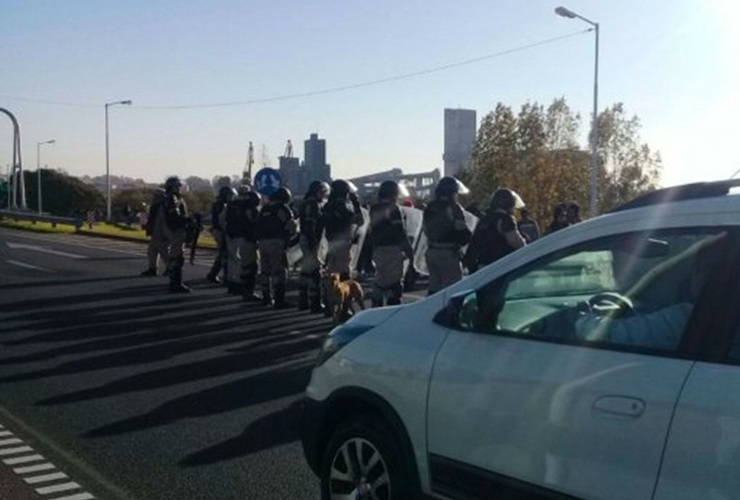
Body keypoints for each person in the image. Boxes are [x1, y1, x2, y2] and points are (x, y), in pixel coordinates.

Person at [422, 176, 472, 295]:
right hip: (448, 252)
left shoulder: (430, 206)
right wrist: (468, 237)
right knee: (452, 288)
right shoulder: (454, 207)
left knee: (434, 285)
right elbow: (461, 229)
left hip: (431, 250)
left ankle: (430, 310)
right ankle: (449, 312)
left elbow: (425, 229)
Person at [369, 180, 415, 307]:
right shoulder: (395, 209)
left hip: (378, 249)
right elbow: (400, 232)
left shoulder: (374, 209)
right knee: (394, 283)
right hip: (393, 249)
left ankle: (375, 308)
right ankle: (392, 309)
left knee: (380, 281)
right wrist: (410, 252)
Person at [466, 188, 527, 272]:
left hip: (482, 265)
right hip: (500, 265)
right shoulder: (505, 219)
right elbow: (515, 241)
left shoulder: (485, 219)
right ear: (509, 203)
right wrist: (527, 249)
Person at [256, 187, 297, 309]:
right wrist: (291, 236)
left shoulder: (264, 208)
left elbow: (257, 224)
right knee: (279, 271)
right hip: (276, 242)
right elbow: (291, 224)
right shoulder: (282, 208)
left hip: (262, 242)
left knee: (265, 270)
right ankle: (279, 299)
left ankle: (266, 297)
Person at [322, 179, 364, 281]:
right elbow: (359, 220)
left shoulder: (328, 205)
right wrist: (356, 204)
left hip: (331, 240)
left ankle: (330, 293)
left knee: (332, 269)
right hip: (343, 241)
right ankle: (343, 292)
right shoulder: (342, 205)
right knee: (343, 269)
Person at [298, 180, 329, 313]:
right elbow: (311, 225)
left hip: (305, 238)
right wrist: (313, 244)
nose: (323, 195)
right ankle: (315, 302)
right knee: (315, 272)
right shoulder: (312, 205)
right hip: (311, 240)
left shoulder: (304, 204)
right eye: (322, 192)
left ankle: (303, 300)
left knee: (306, 271)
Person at [224, 185, 260, 298]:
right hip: (244, 236)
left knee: (232, 260)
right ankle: (243, 287)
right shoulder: (248, 207)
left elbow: (223, 219)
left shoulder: (231, 204)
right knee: (245, 263)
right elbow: (253, 221)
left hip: (231, 235)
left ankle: (232, 284)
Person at [159, 176, 191, 293]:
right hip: (176, 229)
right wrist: (187, 220)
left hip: (174, 228)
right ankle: (175, 282)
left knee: (176, 254)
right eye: (178, 186)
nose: (180, 188)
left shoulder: (171, 198)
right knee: (177, 256)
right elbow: (175, 216)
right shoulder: (172, 198)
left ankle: (175, 281)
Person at [205, 186, 236, 284]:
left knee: (223, 254)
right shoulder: (222, 205)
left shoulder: (218, 204)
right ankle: (226, 276)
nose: (231, 197)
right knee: (225, 253)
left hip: (217, 230)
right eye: (230, 195)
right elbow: (221, 219)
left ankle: (213, 274)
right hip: (220, 230)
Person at [140, 188, 169, 276]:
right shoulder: (155, 206)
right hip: (155, 232)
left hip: (160, 232)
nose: (154, 198)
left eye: (156, 196)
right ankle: (152, 268)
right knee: (152, 251)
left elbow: (162, 221)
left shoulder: (163, 207)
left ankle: (170, 268)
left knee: (164, 252)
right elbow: (152, 219)